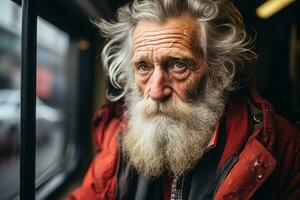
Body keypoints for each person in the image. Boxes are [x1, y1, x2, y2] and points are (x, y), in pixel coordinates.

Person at [69, 0, 300, 199]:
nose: (156, 91)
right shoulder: (117, 140)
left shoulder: (283, 148)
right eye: (143, 67)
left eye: (178, 65)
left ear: (219, 73)